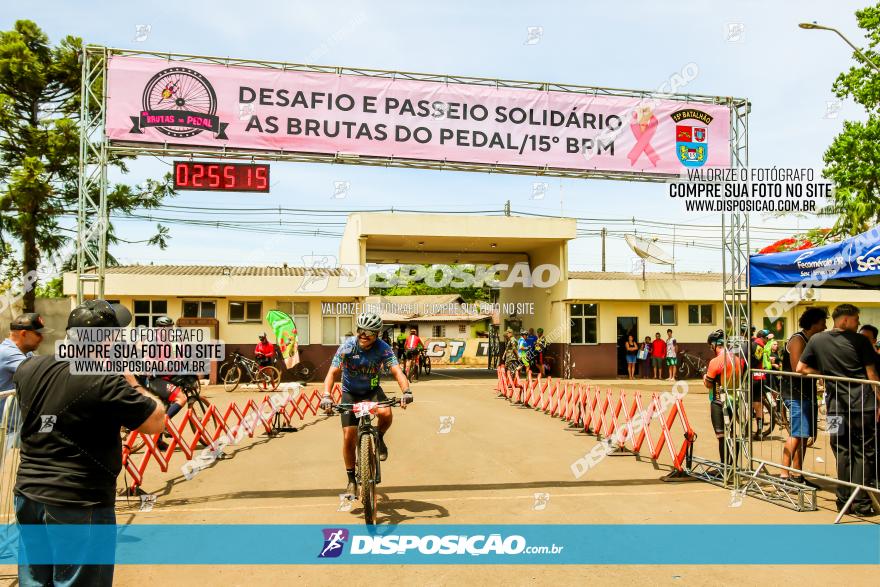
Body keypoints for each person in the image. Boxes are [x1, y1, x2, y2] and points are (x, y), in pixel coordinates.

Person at [13, 300, 166, 586]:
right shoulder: (105, 379)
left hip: (29, 494)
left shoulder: (29, 368)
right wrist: (131, 381)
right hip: (79, 500)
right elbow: (156, 422)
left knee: (34, 581)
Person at [797, 303, 879, 516]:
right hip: (863, 406)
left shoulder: (816, 340)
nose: (858, 323)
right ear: (845, 319)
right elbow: (872, 375)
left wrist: (825, 373)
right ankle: (861, 503)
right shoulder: (860, 341)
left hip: (834, 407)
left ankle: (843, 501)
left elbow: (801, 368)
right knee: (864, 452)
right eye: (856, 319)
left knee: (841, 451)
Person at [320, 313, 412, 497]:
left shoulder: (383, 349)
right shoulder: (347, 347)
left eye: (368, 332)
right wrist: (326, 395)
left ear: (377, 334)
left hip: (371, 391)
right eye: (360, 330)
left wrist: (406, 391)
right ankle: (351, 480)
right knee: (349, 437)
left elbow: (397, 371)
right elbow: (332, 373)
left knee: (386, 413)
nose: (363, 334)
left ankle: (379, 438)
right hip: (350, 393)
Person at [780, 307, 827, 485]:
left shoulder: (811, 340)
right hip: (795, 393)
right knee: (797, 434)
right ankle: (784, 474)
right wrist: (821, 373)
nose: (825, 326)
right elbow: (797, 369)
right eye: (823, 322)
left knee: (804, 435)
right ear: (814, 323)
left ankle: (797, 475)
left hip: (806, 393)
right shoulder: (798, 340)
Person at [1, 314, 51, 448]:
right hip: (3, 429)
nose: (42, 338)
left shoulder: (26, 353)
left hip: (13, 428)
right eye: (38, 334)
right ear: (23, 333)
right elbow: (41, 373)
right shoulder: (7, 353)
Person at [703, 329, 745, 468]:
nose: (711, 349)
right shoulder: (737, 359)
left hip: (718, 400)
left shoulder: (716, 361)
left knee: (721, 436)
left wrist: (704, 377)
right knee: (732, 432)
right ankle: (733, 466)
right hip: (734, 400)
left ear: (715, 345)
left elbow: (708, 384)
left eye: (711, 346)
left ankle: (725, 468)